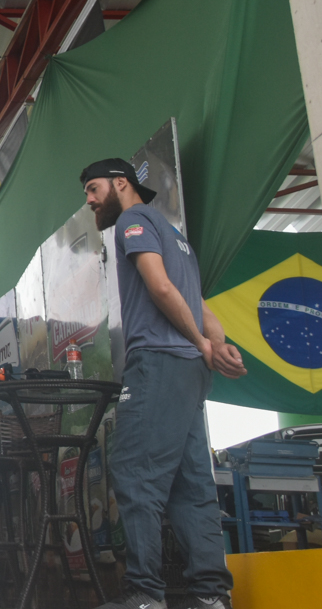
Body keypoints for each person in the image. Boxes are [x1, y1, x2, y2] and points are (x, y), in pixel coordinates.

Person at [80, 158, 245, 609]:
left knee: (135, 473)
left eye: (93, 189)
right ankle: (211, 596)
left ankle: (145, 595)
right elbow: (201, 304)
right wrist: (215, 345)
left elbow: (161, 289)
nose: (90, 200)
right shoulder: (176, 237)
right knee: (192, 486)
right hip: (190, 373)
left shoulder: (132, 221)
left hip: (158, 362)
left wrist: (202, 342)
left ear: (121, 183)